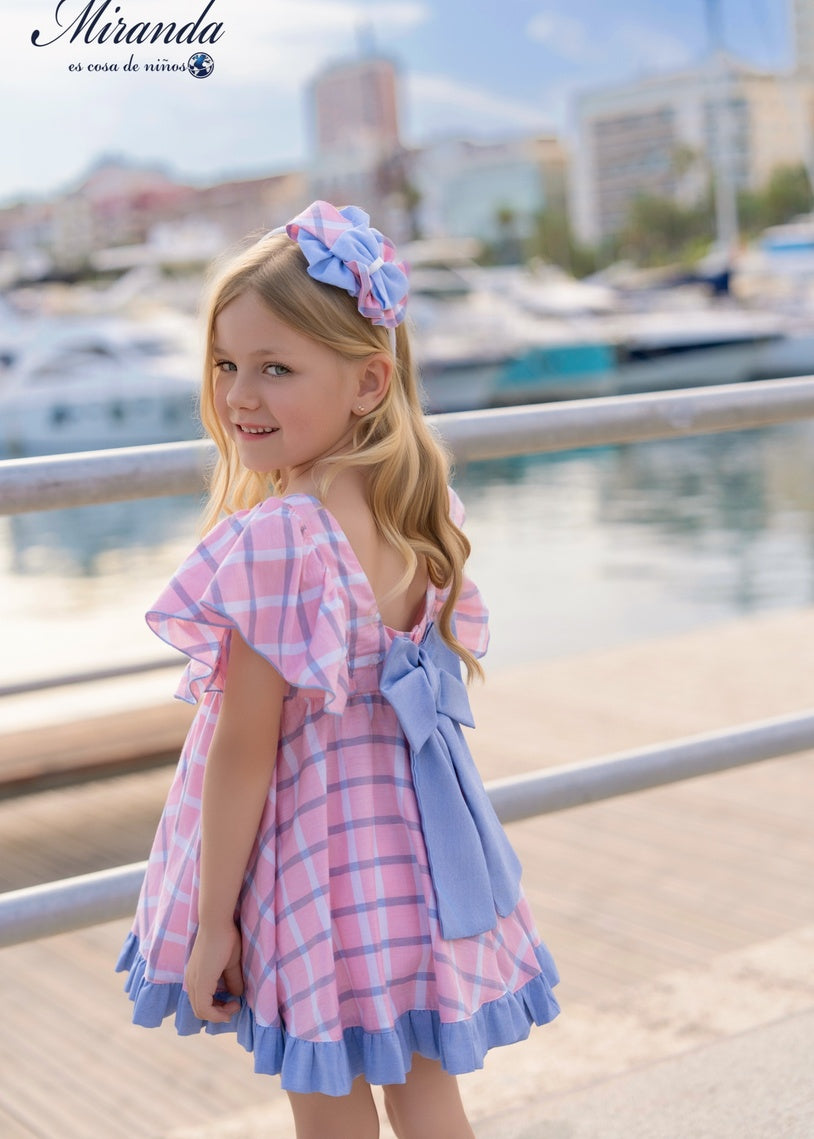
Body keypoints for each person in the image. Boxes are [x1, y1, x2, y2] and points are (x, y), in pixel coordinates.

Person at [116, 201, 560, 1139]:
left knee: (327, 1109)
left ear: (366, 382)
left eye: (277, 368)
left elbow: (243, 753)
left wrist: (213, 925)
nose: (241, 395)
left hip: (312, 860)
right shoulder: (417, 504)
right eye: (228, 365)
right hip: (415, 853)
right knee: (429, 1094)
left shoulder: (280, 537)